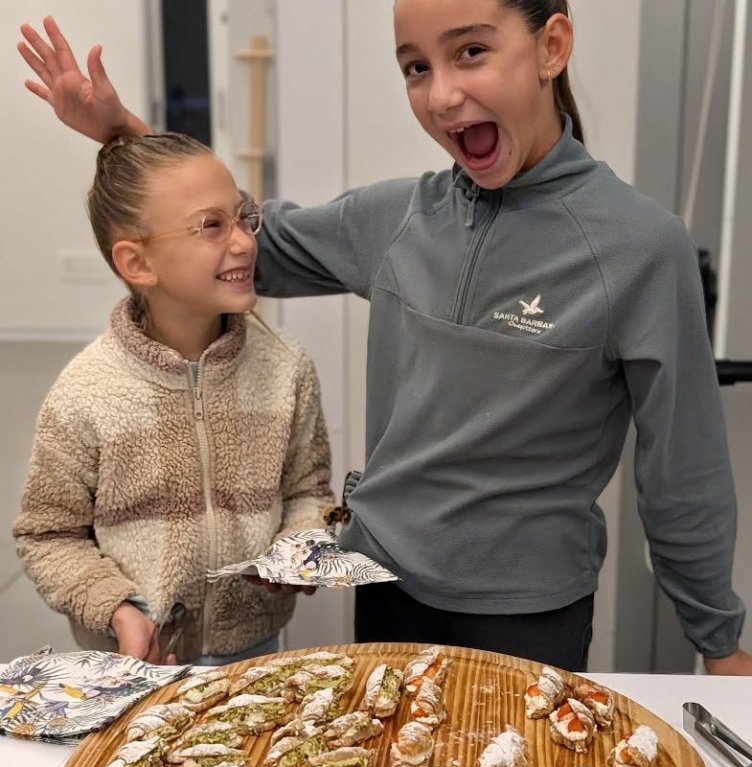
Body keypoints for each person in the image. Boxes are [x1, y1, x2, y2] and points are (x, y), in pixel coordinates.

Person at [16, 2, 752, 676]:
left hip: (529, 613)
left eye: (471, 52)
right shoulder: (398, 219)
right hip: (387, 589)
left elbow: (683, 468)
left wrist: (716, 639)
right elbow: (228, 245)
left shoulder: (640, 248)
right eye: (416, 67)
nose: (441, 95)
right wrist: (124, 134)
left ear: (551, 47)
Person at [12, 130, 333, 665]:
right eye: (212, 225)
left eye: (244, 217)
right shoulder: (85, 394)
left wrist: (302, 543)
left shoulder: (287, 369)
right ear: (138, 263)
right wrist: (118, 611)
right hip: (135, 664)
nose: (244, 242)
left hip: (254, 656)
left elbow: (308, 492)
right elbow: (48, 536)